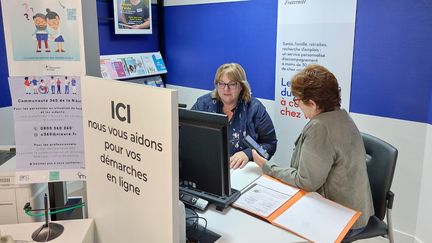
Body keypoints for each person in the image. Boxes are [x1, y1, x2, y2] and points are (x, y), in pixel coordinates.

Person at [252, 64, 374, 236]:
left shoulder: (319, 128)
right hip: (357, 210)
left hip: (342, 219)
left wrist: (267, 167)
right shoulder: (342, 116)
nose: (298, 105)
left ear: (313, 103)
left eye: (298, 101)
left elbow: (306, 182)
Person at [191, 63, 277, 169]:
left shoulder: (255, 109)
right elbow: (188, 136)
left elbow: (270, 145)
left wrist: (248, 153)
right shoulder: (203, 104)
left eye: (232, 84)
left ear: (241, 86)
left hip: (242, 171)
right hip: (206, 165)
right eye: (221, 83)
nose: (226, 89)